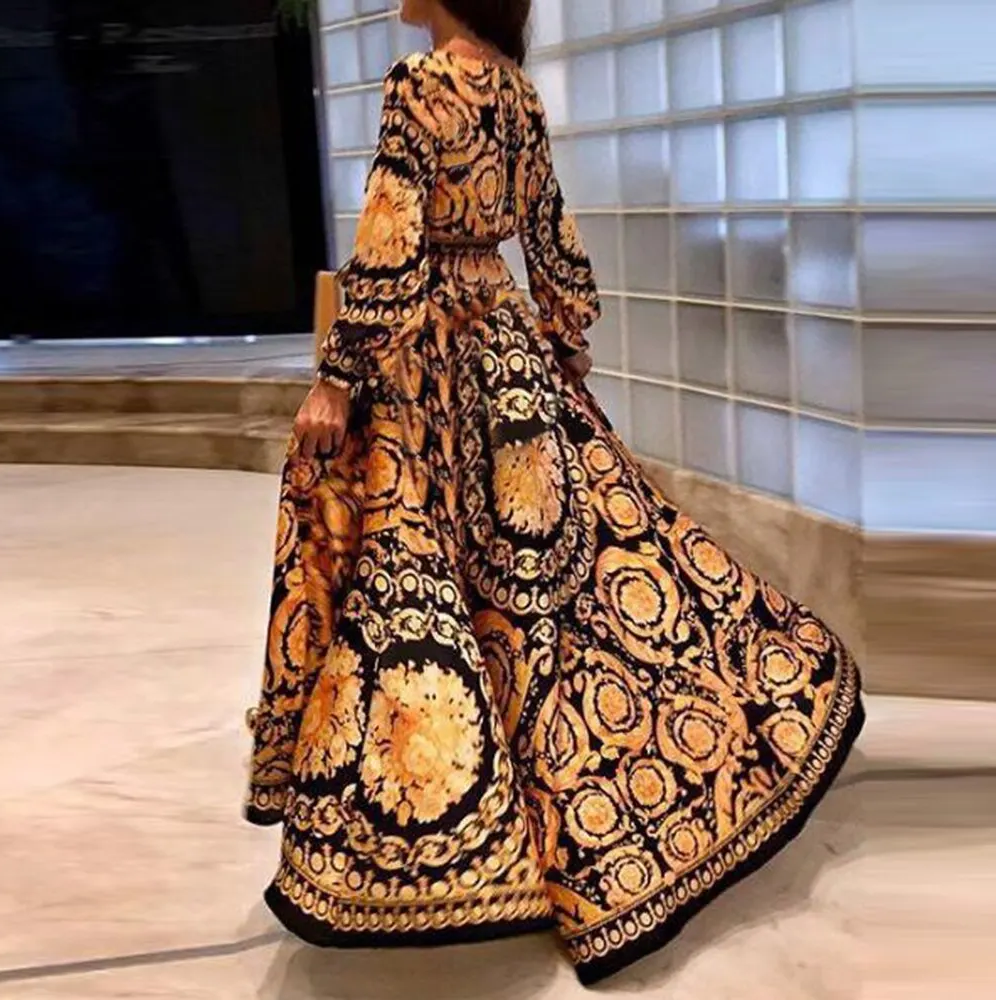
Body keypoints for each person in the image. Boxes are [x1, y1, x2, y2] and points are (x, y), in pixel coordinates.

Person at [244, 0, 865, 985]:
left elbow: (390, 239)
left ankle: (448, 847)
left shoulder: (421, 84)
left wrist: (338, 375)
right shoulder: (515, 88)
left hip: (430, 363)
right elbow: (548, 226)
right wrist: (565, 333)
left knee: (426, 580)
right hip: (506, 343)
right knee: (553, 582)